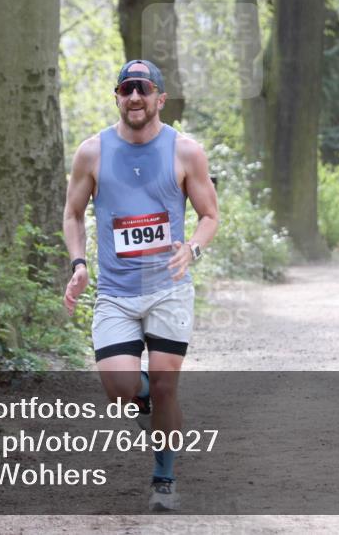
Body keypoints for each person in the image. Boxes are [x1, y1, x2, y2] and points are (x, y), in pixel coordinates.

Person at [62, 59, 219, 512]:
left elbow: (209, 215)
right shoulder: (92, 152)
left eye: (143, 89)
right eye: (126, 89)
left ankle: (164, 478)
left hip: (169, 285)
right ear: (117, 96)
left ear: (160, 99)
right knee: (120, 388)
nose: (134, 97)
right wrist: (78, 263)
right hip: (115, 289)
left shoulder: (185, 151)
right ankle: (142, 397)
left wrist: (192, 248)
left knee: (168, 384)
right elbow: (72, 213)